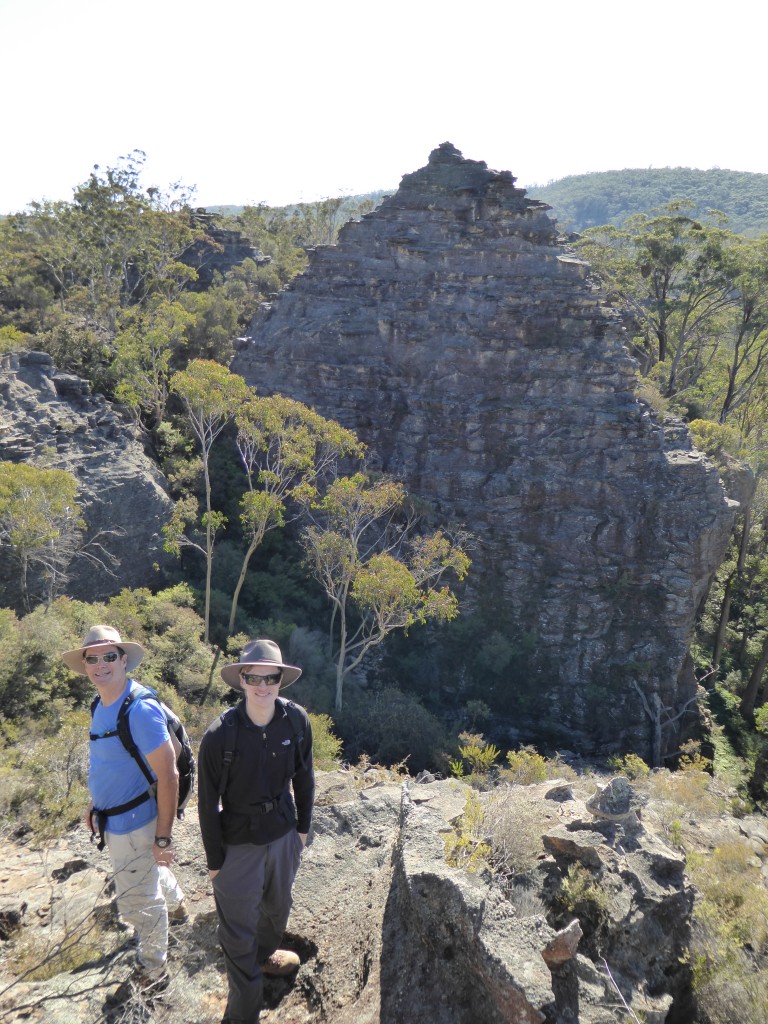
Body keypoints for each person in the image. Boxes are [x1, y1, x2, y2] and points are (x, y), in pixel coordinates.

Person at [61, 624, 184, 996]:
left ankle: (153, 970)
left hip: (137, 821)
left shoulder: (139, 709)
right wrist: (97, 805)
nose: (100, 664)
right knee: (144, 874)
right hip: (116, 818)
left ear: (124, 660)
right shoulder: (102, 702)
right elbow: (111, 761)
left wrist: (163, 837)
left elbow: (169, 775)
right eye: (92, 658)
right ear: (85, 665)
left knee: (137, 900)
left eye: (109, 655)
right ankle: (178, 908)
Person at [198, 638, 314, 1024]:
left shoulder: (295, 721)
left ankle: (265, 957)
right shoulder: (220, 735)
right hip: (238, 842)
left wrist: (302, 829)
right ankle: (242, 1013)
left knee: (278, 911)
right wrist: (215, 862)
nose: (262, 686)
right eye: (253, 677)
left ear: (281, 679)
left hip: (282, 834)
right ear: (241, 680)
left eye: (271, 677)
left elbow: (305, 775)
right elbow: (206, 803)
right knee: (237, 934)